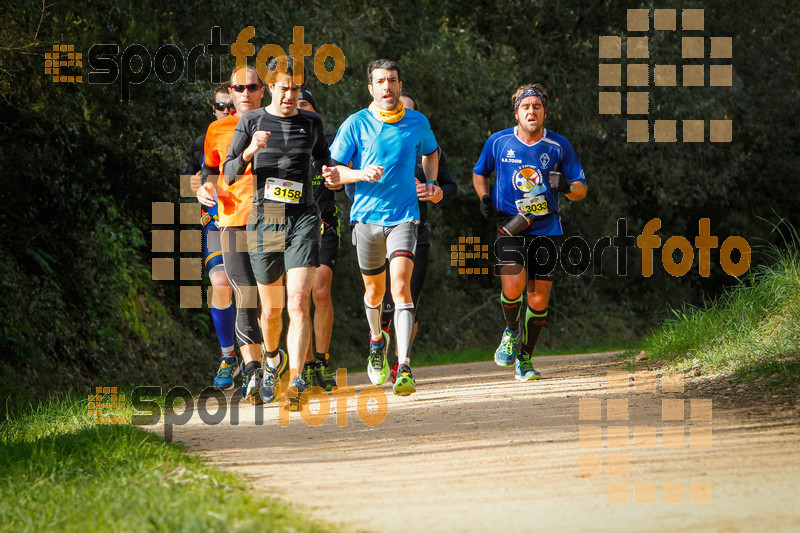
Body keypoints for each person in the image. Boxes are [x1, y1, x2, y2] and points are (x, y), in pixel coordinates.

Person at [223, 57, 337, 410]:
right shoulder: (251, 121)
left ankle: (298, 378)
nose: (290, 95)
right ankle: (272, 361)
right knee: (271, 312)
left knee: (298, 301)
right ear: (270, 86)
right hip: (265, 218)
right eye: (284, 88)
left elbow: (323, 161)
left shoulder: (311, 122)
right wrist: (249, 151)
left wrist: (331, 175)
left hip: (304, 217)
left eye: (297, 89)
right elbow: (227, 173)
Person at [326, 59, 440, 396]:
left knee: (401, 288)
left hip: (405, 217)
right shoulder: (356, 123)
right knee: (374, 293)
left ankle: (403, 366)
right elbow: (332, 175)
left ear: (400, 86)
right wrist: (360, 174)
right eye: (380, 81)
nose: (387, 87)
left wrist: (431, 181)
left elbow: (432, 153)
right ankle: (378, 342)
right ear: (371, 88)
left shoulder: (418, 122)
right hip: (366, 220)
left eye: (392, 81)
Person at [472, 83, 587, 381]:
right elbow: (479, 173)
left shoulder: (559, 146)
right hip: (510, 226)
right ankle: (511, 330)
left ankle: (525, 359)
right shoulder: (498, 142)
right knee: (512, 285)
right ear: (517, 113)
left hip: (546, 228)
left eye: (537, 106)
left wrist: (565, 187)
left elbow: (581, 188)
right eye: (526, 107)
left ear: (545, 112)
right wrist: (484, 198)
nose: (531, 111)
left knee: (537, 299)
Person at [197, 67, 287, 404]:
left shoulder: (280, 122)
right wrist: (205, 187)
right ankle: (252, 372)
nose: (246, 92)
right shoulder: (216, 129)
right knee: (244, 295)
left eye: (252, 87)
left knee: (270, 301)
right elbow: (208, 169)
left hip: (272, 217)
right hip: (232, 219)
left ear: (263, 90)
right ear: (231, 93)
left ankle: (272, 359)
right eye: (239, 87)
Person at [380, 91, 458, 383]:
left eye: (408, 112)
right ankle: (379, 348)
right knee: (383, 301)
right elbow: (353, 187)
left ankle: (402, 365)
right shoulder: (376, 146)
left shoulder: (430, 151)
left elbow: (450, 187)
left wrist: (435, 191)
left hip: (416, 232)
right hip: (378, 230)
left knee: (407, 297)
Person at [185, 83, 237, 390]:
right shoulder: (202, 141)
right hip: (217, 222)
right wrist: (197, 189)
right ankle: (227, 357)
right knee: (220, 283)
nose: (227, 112)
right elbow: (190, 182)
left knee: (256, 291)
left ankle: (261, 358)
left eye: (232, 107)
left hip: (255, 221)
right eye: (221, 107)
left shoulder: (260, 131)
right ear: (213, 109)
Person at [296, 88, 340, 392]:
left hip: (325, 225)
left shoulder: (330, 143)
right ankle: (308, 364)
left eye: (305, 104)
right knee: (299, 297)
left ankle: (322, 360)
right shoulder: (280, 139)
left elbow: (344, 174)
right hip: (293, 228)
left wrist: (339, 177)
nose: (299, 109)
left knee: (321, 292)